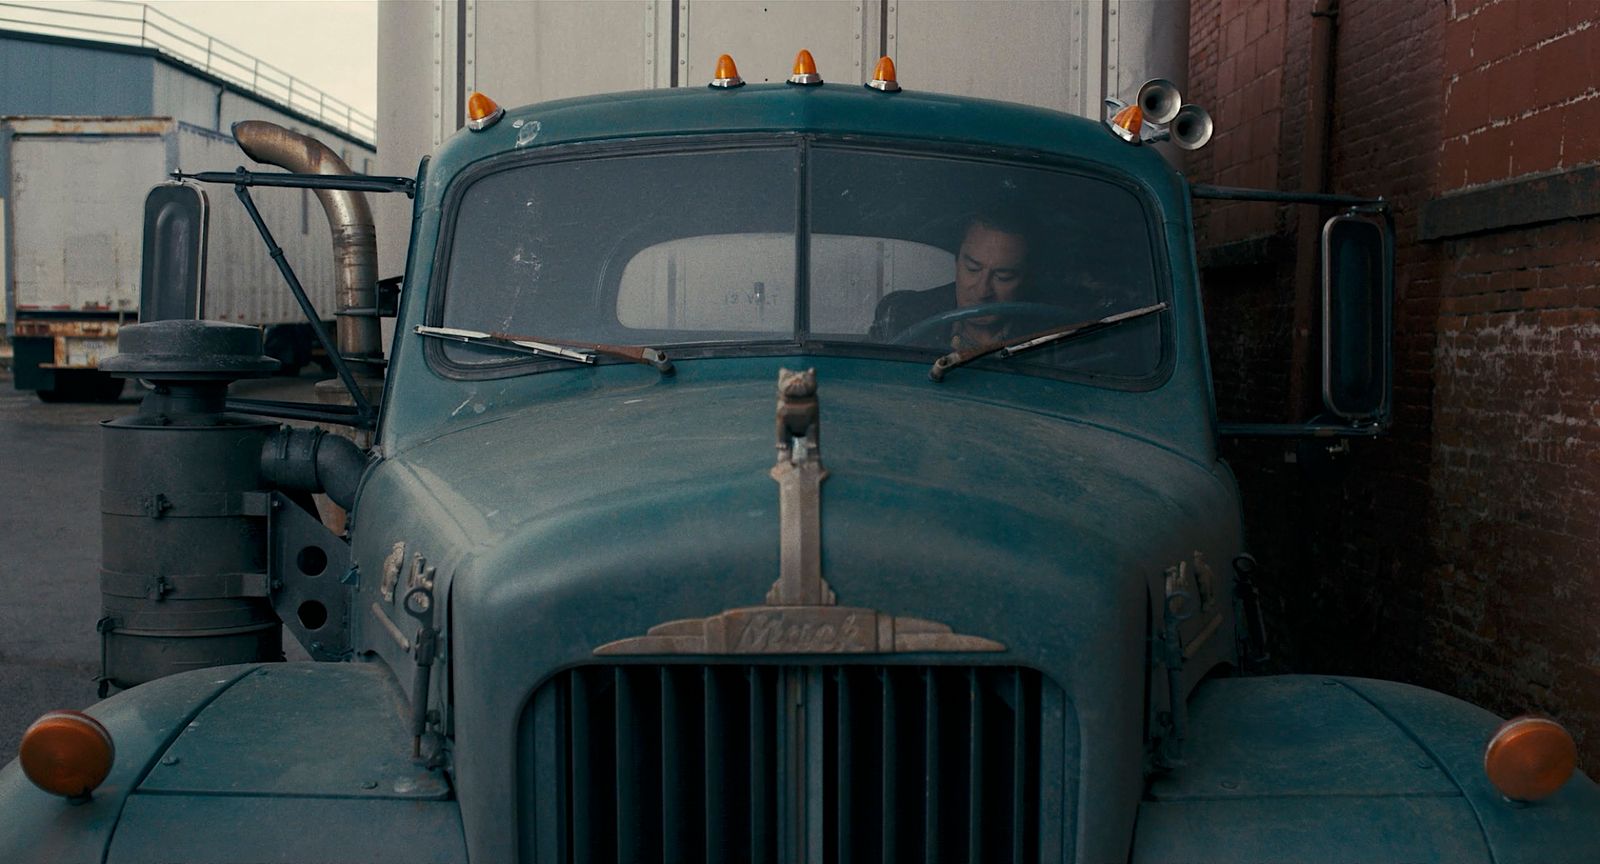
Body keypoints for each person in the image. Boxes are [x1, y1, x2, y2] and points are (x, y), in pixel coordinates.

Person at [868, 208, 1032, 349]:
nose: (982, 291)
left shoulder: (1052, 342)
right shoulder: (900, 316)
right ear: (957, 261)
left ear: (1025, 278)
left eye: (1003, 277)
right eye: (972, 269)